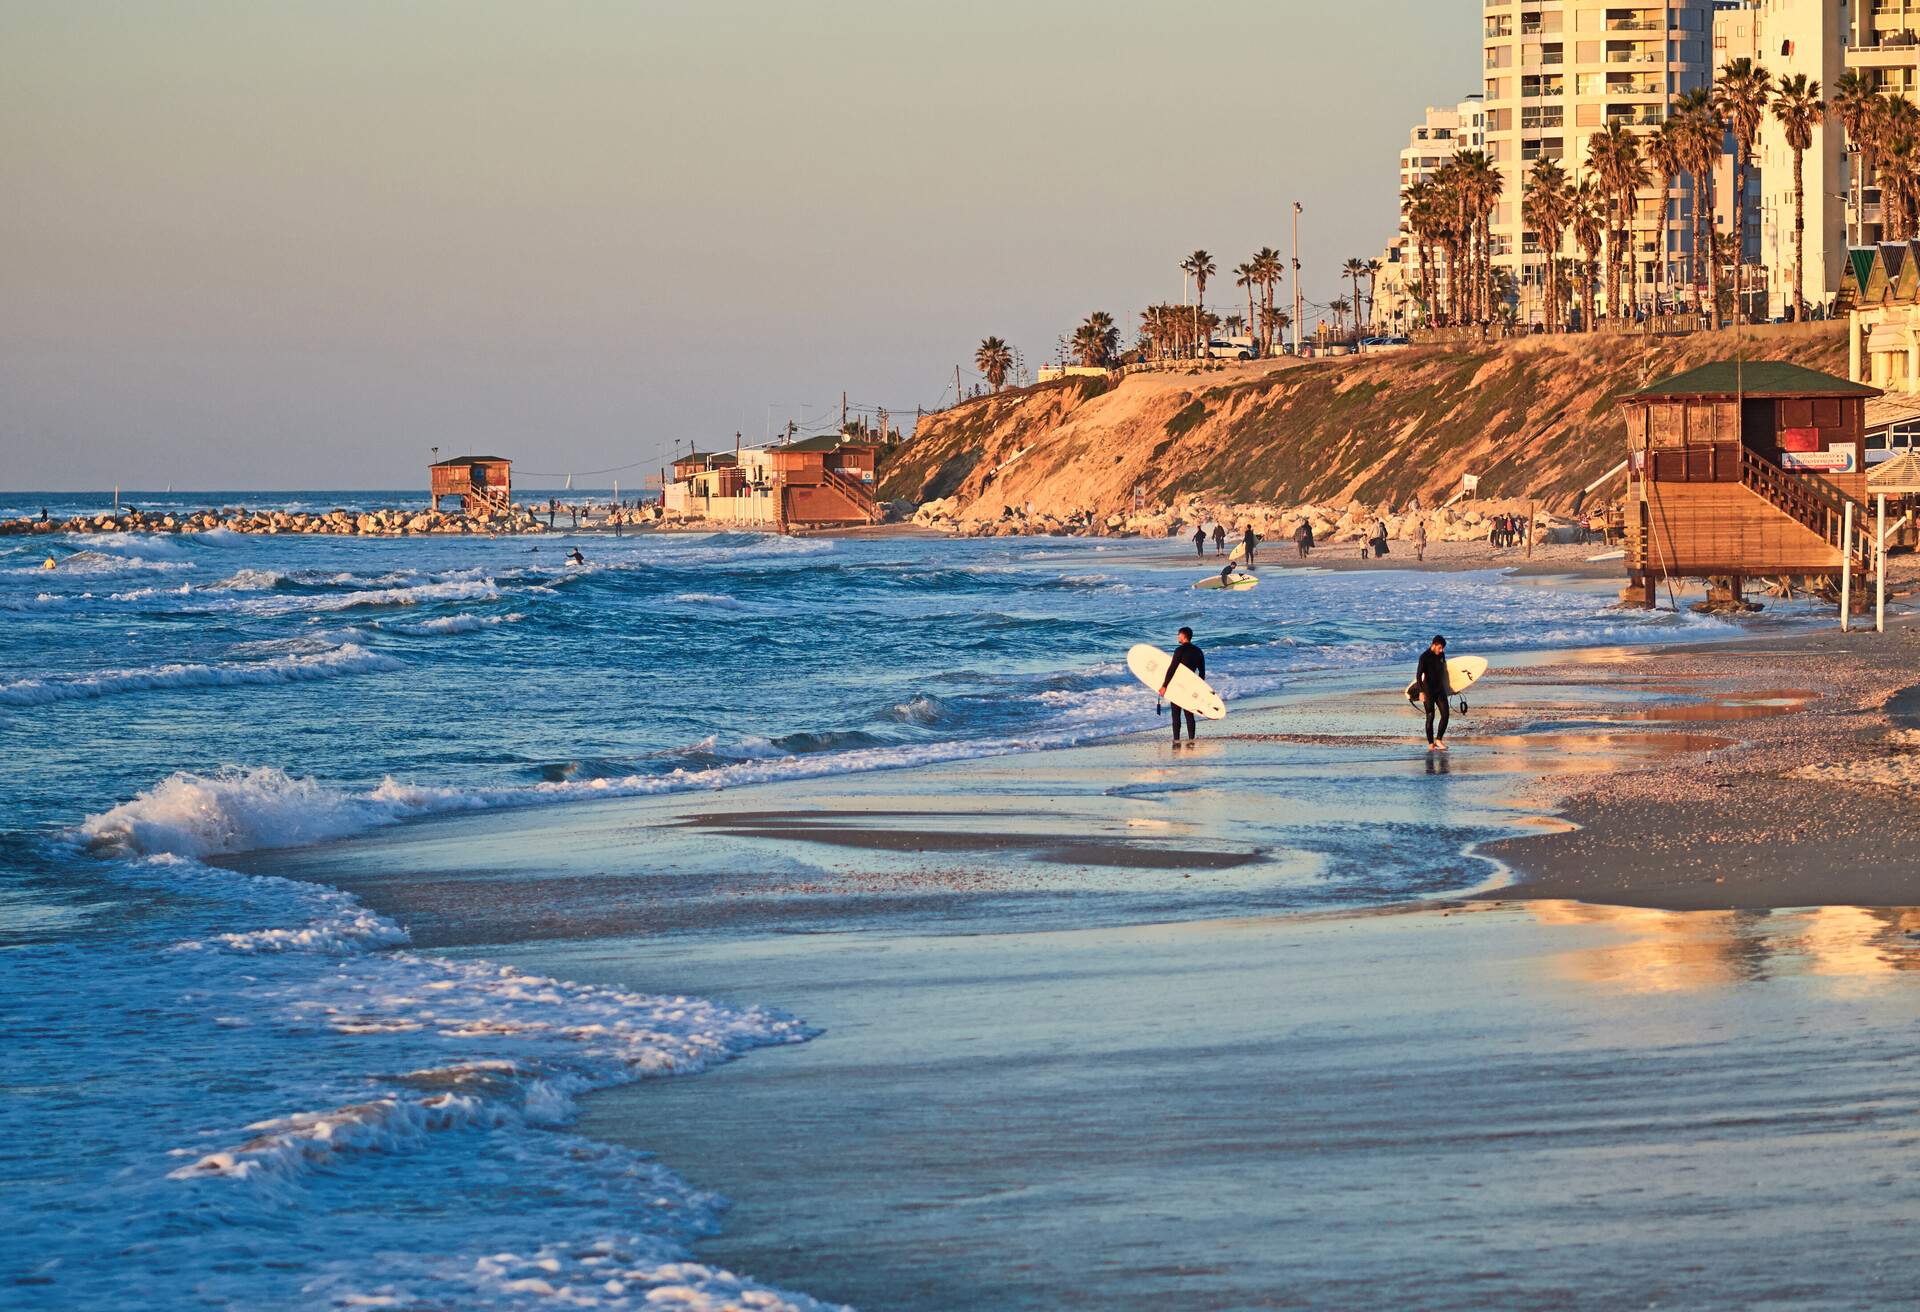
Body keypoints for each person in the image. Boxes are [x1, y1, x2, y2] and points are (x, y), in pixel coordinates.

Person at [1159, 626, 1205, 744]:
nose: (1177, 637)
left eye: (1178, 635)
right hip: (1191, 686)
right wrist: (1198, 688)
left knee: (1176, 714)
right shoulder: (1198, 651)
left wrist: (1164, 685)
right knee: (1189, 714)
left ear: (1183, 636)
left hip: (1178, 686)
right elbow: (1202, 673)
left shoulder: (1179, 650)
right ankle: (1191, 739)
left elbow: (1172, 669)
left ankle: (1176, 740)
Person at [1412, 634, 1452, 752]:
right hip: (1428, 690)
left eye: (1443, 648)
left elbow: (1444, 673)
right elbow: (1418, 676)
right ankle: (1430, 744)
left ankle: (1438, 740)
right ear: (1433, 645)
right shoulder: (1424, 657)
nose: (1441, 650)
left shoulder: (1442, 655)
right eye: (1440, 647)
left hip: (1440, 690)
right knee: (1430, 716)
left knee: (1445, 715)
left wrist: (1450, 688)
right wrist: (1421, 692)